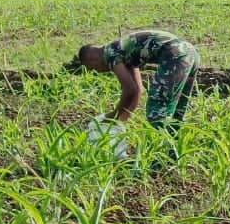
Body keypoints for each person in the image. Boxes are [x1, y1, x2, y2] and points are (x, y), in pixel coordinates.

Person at [66, 29, 200, 156]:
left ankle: (162, 159)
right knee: (176, 112)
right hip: (190, 52)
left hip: (175, 55)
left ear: (91, 60)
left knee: (157, 112)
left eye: (92, 68)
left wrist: (113, 115)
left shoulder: (110, 54)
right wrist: (122, 119)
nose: (97, 71)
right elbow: (137, 90)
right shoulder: (122, 50)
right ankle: (172, 156)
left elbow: (129, 89)